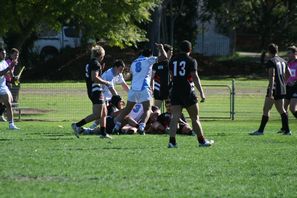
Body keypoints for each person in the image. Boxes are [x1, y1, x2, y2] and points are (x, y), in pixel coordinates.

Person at [112, 43, 167, 135]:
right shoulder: (149, 60)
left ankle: (116, 126)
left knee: (127, 110)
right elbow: (164, 57)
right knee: (147, 109)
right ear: (150, 55)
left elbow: (133, 74)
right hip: (143, 88)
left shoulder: (134, 62)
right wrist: (161, 48)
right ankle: (142, 127)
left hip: (133, 89)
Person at [167, 40, 213, 148]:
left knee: (174, 117)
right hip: (187, 91)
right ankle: (201, 141)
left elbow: (172, 76)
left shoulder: (172, 60)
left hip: (175, 90)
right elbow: (195, 77)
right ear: (190, 50)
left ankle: (172, 142)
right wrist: (201, 92)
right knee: (194, 118)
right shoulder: (191, 60)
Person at [71, 45, 112, 138]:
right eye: (103, 55)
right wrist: (106, 82)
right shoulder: (96, 64)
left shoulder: (91, 63)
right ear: (101, 55)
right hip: (96, 90)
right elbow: (94, 78)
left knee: (104, 112)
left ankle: (103, 133)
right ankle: (77, 125)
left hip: (94, 90)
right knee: (98, 114)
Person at [250, 43, 291, 135]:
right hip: (282, 88)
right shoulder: (283, 61)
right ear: (277, 51)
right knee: (281, 110)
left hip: (274, 88)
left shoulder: (271, 61)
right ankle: (287, 130)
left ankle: (260, 131)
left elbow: (272, 76)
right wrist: (283, 83)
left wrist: (271, 91)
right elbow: (289, 74)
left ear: (269, 52)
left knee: (266, 109)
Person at [89, 59, 129, 129]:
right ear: (115, 67)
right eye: (120, 69)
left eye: (122, 70)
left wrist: (132, 94)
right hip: (103, 96)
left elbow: (124, 85)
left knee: (108, 114)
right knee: (104, 114)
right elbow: (112, 89)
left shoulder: (119, 74)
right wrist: (119, 99)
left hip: (111, 98)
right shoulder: (109, 74)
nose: (121, 71)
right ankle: (93, 128)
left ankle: (95, 127)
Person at [0, 48, 19, 129]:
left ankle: (11, 125)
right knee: (7, 103)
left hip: (3, 86)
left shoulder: (4, 62)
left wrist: (14, 78)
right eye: (2, 53)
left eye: (5, 53)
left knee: (9, 103)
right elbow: (0, 73)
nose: (4, 55)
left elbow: (8, 74)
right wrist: (10, 66)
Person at [151, 44, 173, 108]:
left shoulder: (171, 63)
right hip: (158, 90)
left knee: (170, 110)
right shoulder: (156, 64)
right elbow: (152, 77)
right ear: (165, 52)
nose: (171, 54)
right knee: (156, 110)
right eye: (170, 52)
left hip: (168, 91)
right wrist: (151, 87)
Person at [284, 46, 297, 120]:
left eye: (289, 53)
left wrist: (294, 82)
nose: (288, 54)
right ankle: (285, 128)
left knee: (292, 108)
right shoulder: (286, 63)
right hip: (287, 88)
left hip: (295, 88)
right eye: (287, 53)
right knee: (284, 108)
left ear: (295, 53)